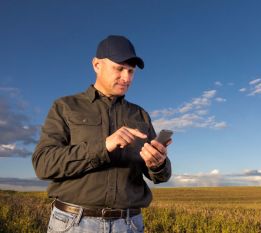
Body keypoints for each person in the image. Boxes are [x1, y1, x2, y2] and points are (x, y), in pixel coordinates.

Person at [32, 35, 172, 233]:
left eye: (131, 71)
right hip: (73, 223)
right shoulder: (65, 107)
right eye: (120, 68)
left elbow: (160, 176)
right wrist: (103, 146)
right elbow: (43, 164)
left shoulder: (140, 115)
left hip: (129, 224)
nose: (127, 78)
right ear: (97, 65)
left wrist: (158, 164)